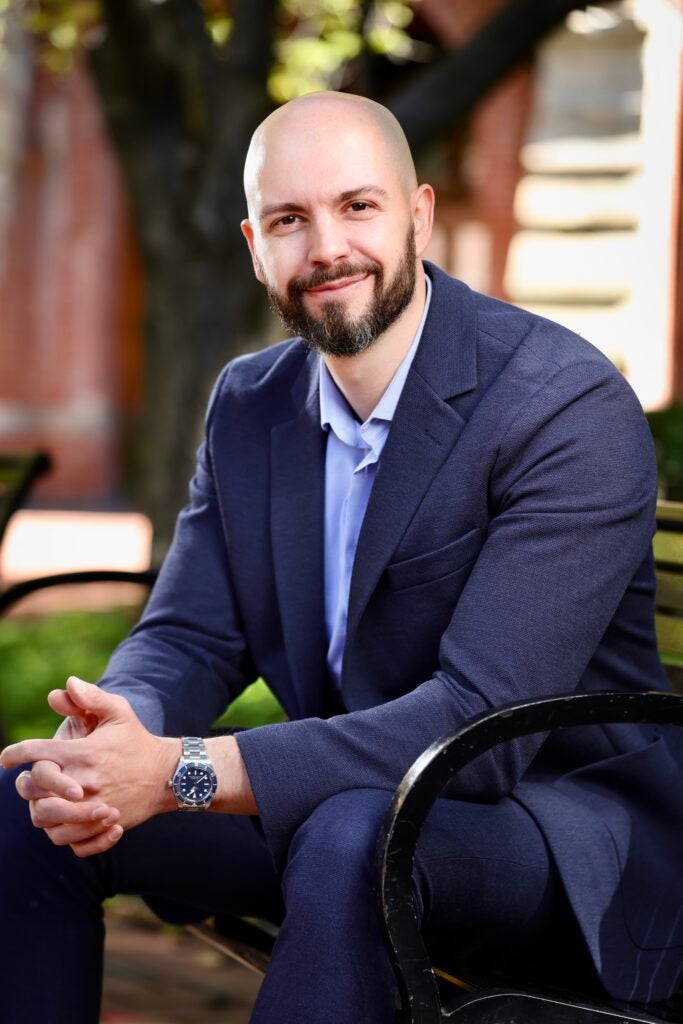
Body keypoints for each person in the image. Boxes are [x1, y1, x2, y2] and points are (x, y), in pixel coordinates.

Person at [2, 91, 683, 1024]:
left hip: (559, 838)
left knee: (353, 835)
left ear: (420, 214)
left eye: (357, 206)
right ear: (255, 246)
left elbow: (479, 725)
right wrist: (115, 736)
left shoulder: (559, 406)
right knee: (31, 805)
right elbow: (191, 632)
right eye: (290, 219)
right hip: (341, 805)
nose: (326, 247)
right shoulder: (251, 401)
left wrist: (179, 771)